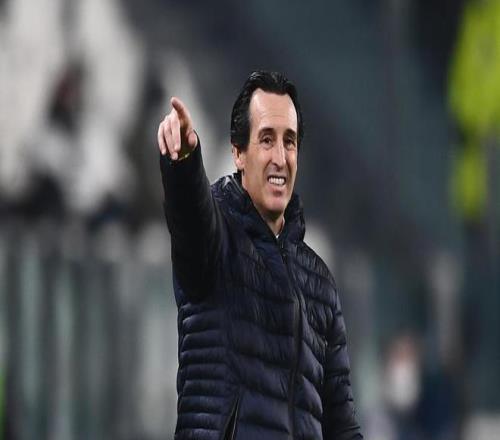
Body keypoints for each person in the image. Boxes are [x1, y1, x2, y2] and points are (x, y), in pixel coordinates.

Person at [158, 71, 363, 440]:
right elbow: (191, 216)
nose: (280, 158)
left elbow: (342, 423)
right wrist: (185, 164)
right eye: (267, 140)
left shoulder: (319, 282)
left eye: (290, 142)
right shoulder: (216, 240)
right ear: (238, 153)